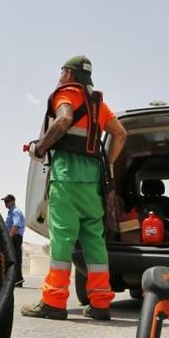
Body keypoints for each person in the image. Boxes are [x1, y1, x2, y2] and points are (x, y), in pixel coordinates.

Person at [21, 55, 127, 321]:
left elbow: (64, 119)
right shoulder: (98, 104)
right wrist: (109, 163)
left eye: (61, 72)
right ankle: (101, 302)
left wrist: (40, 147)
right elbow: (121, 133)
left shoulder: (66, 93)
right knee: (94, 241)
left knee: (62, 239)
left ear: (68, 73)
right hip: (92, 183)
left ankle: (54, 301)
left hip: (66, 179)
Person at [2, 194, 26, 287]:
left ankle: (16, 280)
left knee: (12, 259)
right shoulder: (12, 211)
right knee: (16, 258)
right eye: (5, 201)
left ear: (13, 201)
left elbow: (16, 225)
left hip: (15, 237)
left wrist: (9, 237)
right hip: (15, 237)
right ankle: (18, 280)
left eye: (7, 201)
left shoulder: (15, 211)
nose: (6, 203)